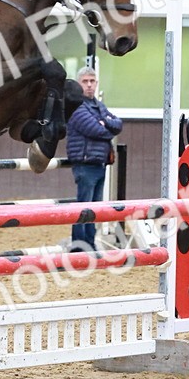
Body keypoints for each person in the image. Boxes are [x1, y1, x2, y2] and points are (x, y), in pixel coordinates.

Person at [65, 66, 122, 251]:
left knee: (94, 209)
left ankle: (89, 243)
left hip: (99, 163)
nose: (89, 85)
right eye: (85, 81)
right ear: (78, 84)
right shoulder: (76, 106)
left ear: (96, 83)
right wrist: (107, 125)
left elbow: (118, 124)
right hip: (85, 163)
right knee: (84, 207)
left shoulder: (98, 105)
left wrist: (105, 123)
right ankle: (78, 246)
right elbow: (95, 129)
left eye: (92, 81)